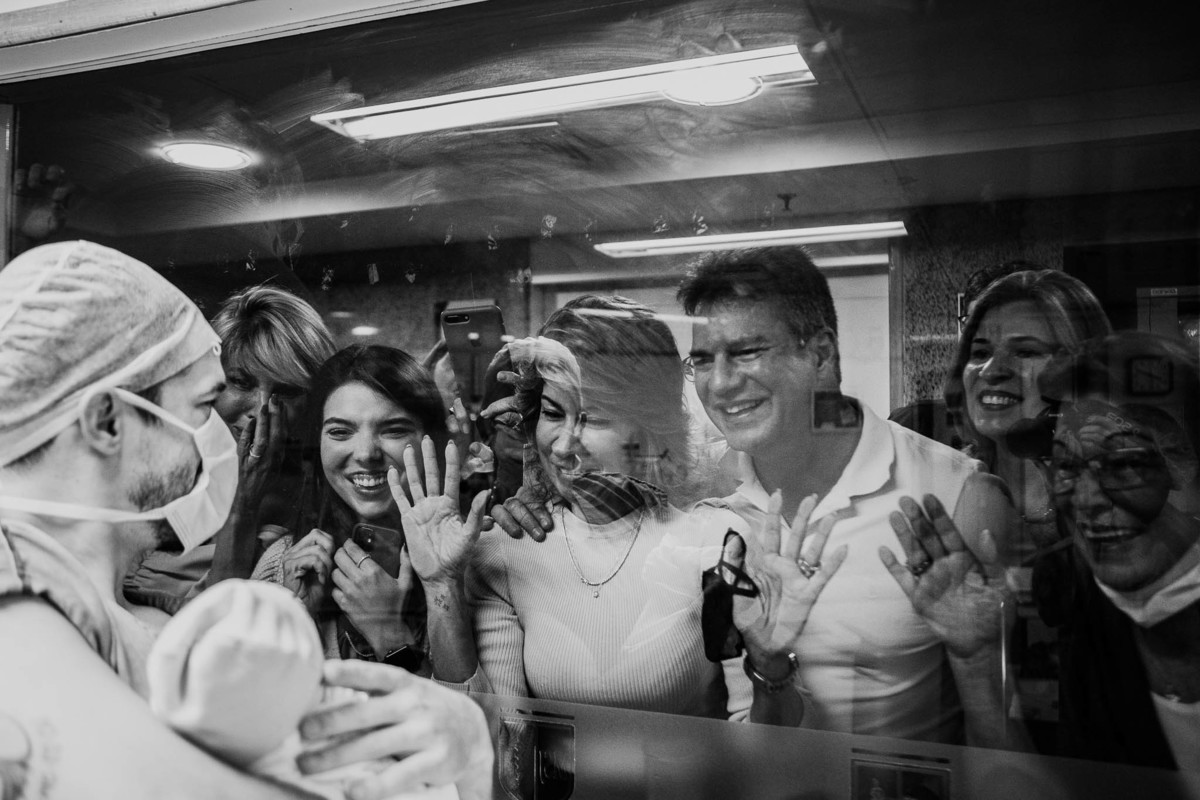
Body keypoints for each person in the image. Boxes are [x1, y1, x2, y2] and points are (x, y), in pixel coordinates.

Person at [0, 241, 490, 799]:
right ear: (107, 422)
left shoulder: (133, 622)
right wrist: (468, 759)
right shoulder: (20, 606)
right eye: (204, 405)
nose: (240, 426)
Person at [397, 304, 848, 725]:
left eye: (594, 419)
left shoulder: (714, 540)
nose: (563, 444)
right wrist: (441, 588)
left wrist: (770, 668)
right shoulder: (505, 549)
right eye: (552, 412)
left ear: (647, 428)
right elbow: (501, 742)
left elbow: (764, 750)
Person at [677, 247, 1016, 746]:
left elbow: (1002, 742)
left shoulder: (957, 495)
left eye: (747, 352)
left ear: (820, 355)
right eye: (703, 360)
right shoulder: (703, 498)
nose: (721, 383)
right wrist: (769, 667)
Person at [1027, 332, 1200, 771]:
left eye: (1125, 463)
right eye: (1067, 466)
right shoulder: (1068, 622)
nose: (1086, 500)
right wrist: (975, 663)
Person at [126, 284, 336, 612]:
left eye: (286, 392)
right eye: (240, 382)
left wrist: (245, 500)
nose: (261, 408)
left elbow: (220, 623)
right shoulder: (156, 477)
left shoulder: (314, 510)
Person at [251, 344, 450, 674]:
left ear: (430, 439)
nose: (366, 453)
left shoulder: (465, 564)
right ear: (317, 443)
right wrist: (296, 619)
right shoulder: (282, 565)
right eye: (340, 432)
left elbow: (485, 710)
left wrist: (389, 634)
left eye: (394, 430)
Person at [944, 270, 1112, 567]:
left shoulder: (1122, 491)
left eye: (1024, 352)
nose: (991, 371)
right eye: (980, 352)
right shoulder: (941, 482)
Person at [889, 259, 1045, 448]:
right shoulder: (917, 425)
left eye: (1023, 350)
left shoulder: (1064, 438)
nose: (992, 370)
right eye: (978, 330)